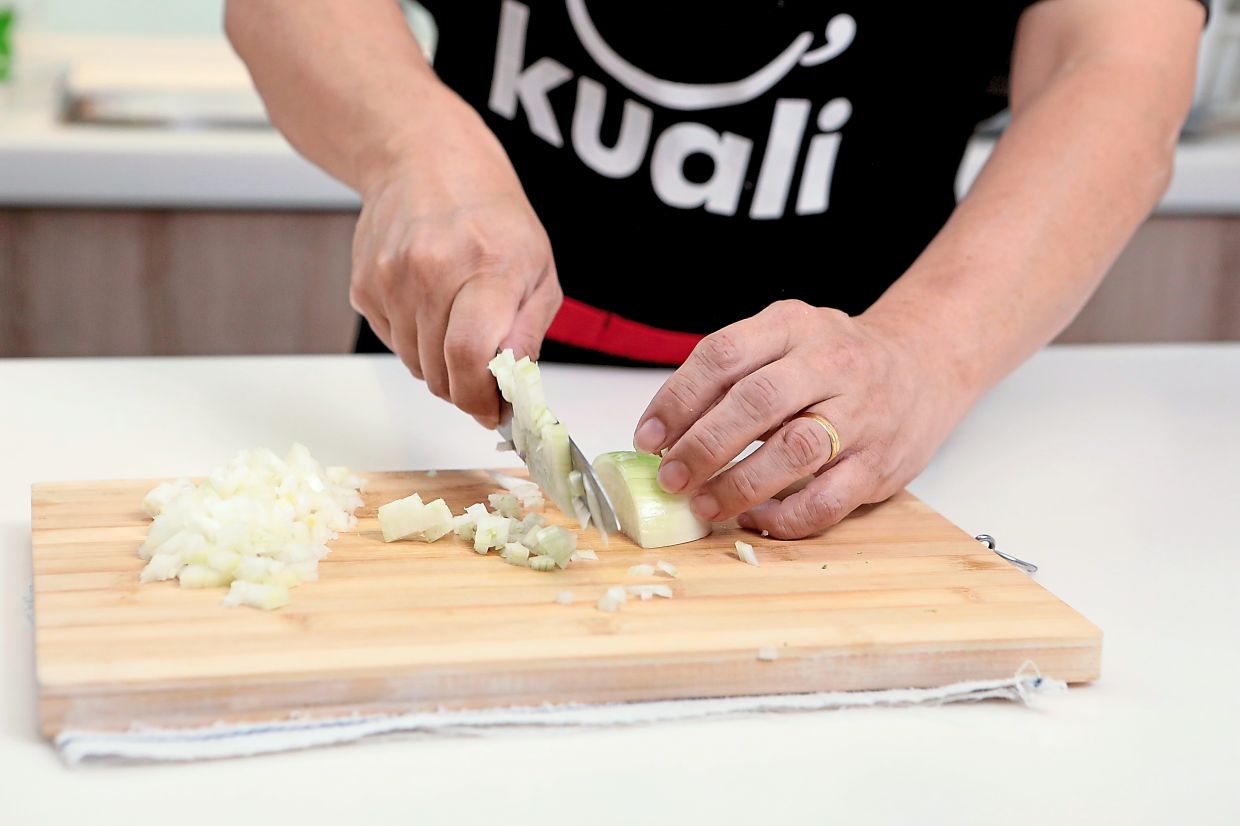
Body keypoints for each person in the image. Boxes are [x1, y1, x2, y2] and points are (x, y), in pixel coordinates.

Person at [227, 0, 1207, 539]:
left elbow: (1115, 65)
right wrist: (414, 147)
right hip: (447, 386)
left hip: (860, 425)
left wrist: (923, 353)